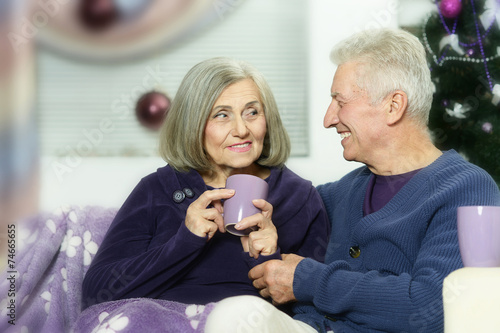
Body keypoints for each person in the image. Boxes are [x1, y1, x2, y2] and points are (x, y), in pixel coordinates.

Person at [204, 28, 500, 333]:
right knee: (234, 314)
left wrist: (308, 280)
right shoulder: (337, 194)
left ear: (393, 106)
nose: (328, 119)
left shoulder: (465, 189)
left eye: (339, 101)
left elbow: (432, 307)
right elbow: (264, 261)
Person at [81, 57, 330, 309]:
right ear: (194, 125)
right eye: (222, 115)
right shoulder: (158, 189)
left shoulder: (299, 196)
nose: (242, 130)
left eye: (252, 112)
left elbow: (315, 311)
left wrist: (268, 259)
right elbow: (95, 294)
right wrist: (185, 241)